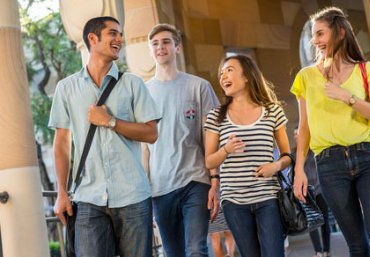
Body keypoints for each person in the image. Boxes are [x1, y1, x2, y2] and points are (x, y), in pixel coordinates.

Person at [291, 6, 370, 257]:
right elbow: (304, 126)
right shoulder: (306, 77)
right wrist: (299, 171)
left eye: (320, 34)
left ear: (339, 33)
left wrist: (347, 98)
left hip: (369, 157)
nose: (314, 41)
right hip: (329, 164)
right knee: (357, 245)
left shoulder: (368, 69)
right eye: (312, 35)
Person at [49, 16, 161, 257]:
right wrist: (60, 193)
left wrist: (110, 122)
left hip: (133, 196)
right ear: (93, 38)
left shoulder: (133, 84)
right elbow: (61, 146)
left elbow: (151, 133)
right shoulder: (66, 88)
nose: (119, 39)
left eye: (120, 34)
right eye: (113, 33)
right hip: (88, 198)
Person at [142, 23, 220, 257]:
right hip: (159, 188)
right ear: (151, 50)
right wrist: (144, 192)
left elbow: (211, 137)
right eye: (155, 44)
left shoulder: (199, 87)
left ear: (177, 47)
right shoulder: (143, 93)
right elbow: (144, 149)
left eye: (166, 42)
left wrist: (215, 179)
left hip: (195, 181)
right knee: (172, 253)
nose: (160, 47)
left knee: (196, 249)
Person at [204, 54, 291, 257]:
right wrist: (226, 150)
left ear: (247, 76)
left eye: (229, 70)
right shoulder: (216, 116)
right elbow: (209, 160)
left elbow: (287, 155)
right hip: (234, 202)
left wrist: (275, 166)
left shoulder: (272, 111)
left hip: (268, 197)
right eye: (221, 72)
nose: (223, 75)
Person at [293, 128, 331, 257]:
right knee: (312, 222)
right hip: (306, 192)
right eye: (295, 135)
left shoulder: (314, 148)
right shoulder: (295, 154)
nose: (297, 136)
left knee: (324, 221)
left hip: (320, 189)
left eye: (298, 133)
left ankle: (326, 250)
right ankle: (318, 251)